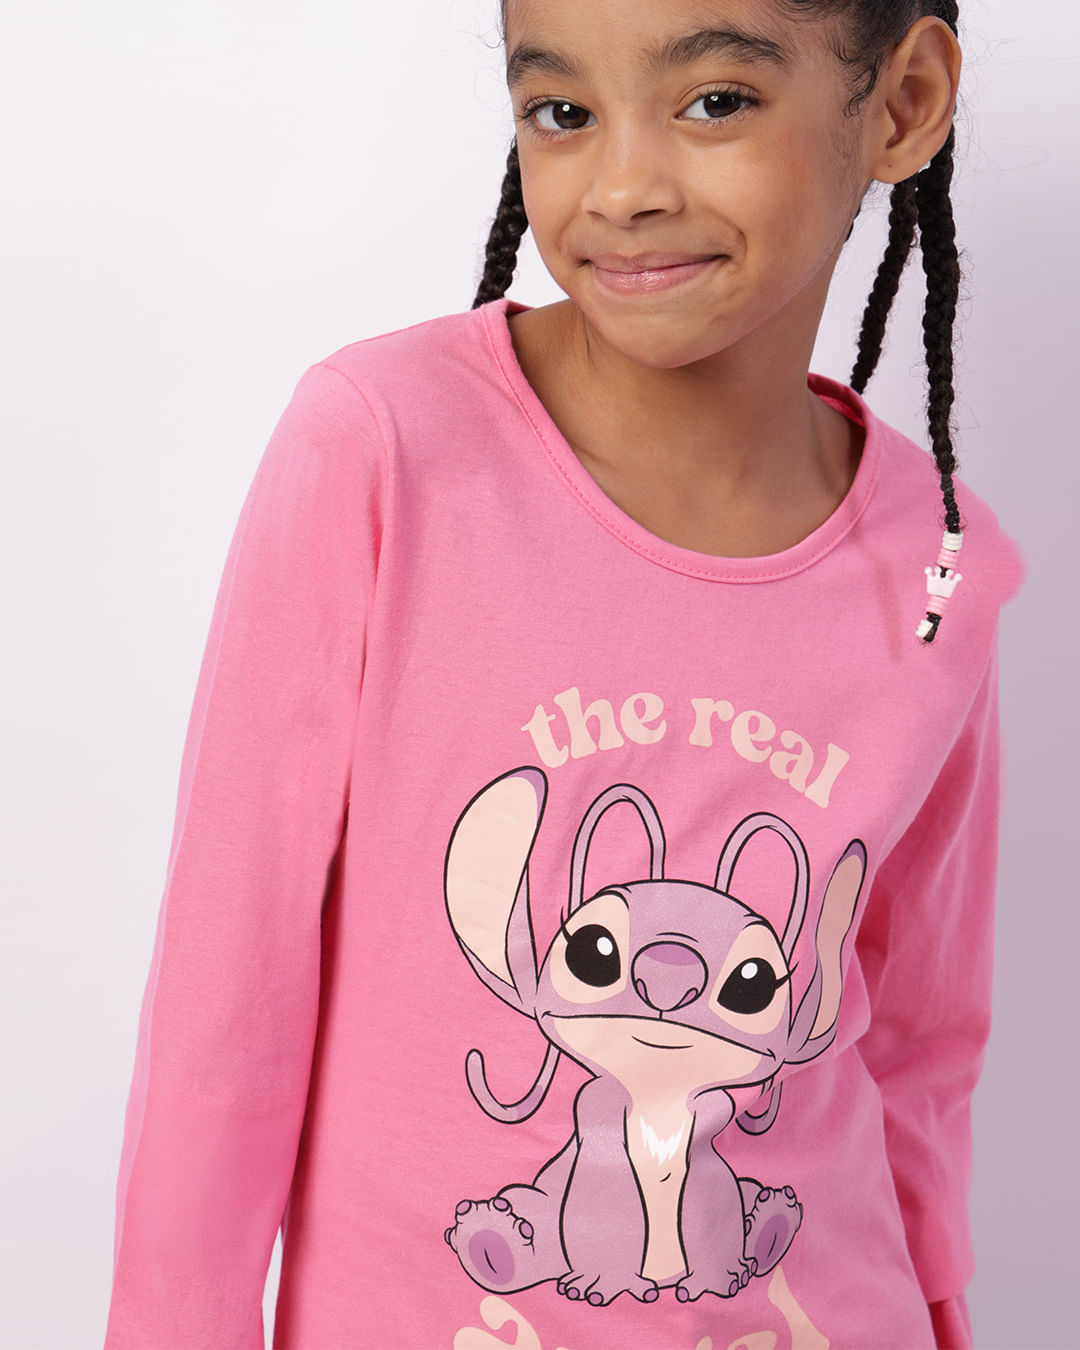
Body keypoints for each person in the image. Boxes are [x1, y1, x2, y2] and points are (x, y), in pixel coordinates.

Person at [104, 0, 1022, 1346]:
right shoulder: (387, 448)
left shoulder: (943, 562)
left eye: (714, 101)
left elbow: (920, 1040)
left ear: (903, 103)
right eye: (563, 112)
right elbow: (228, 989)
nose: (623, 188)